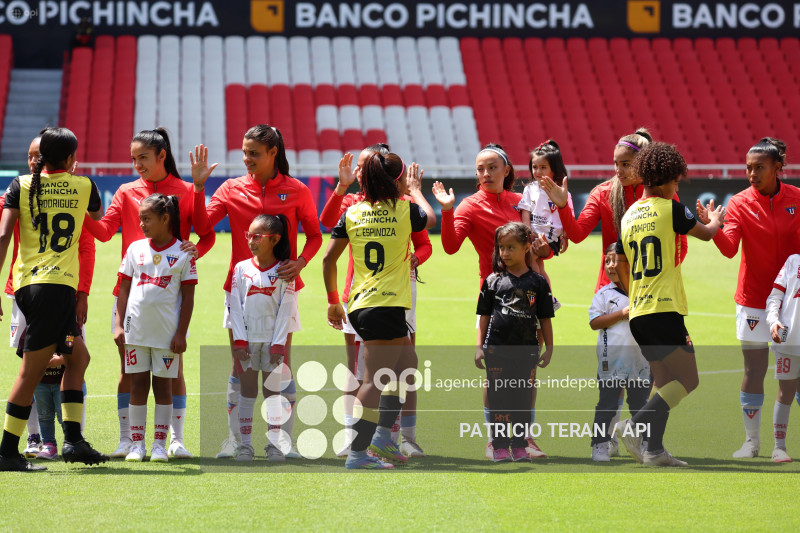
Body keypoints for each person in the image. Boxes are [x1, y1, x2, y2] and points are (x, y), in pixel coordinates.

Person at [190, 124, 323, 459]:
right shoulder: (231, 188)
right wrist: (199, 186)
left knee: (278, 367)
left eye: (254, 153)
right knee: (242, 366)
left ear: (273, 153)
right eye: (244, 152)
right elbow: (203, 228)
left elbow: (315, 234)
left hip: (282, 291)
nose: (247, 159)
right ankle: (238, 441)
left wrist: (302, 262)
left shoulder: (297, 190)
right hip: (240, 292)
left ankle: (279, 441)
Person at [84, 127, 214, 460]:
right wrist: (78, 210)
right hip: (130, 293)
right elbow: (103, 232)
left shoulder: (185, 191)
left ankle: (175, 440)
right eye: (133, 159)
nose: (137, 164)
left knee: (174, 370)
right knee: (130, 372)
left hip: (169, 294)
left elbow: (206, 235)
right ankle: (128, 440)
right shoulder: (126, 192)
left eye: (143, 157)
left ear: (161, 156)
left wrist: (194, 249)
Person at [432, 143, 550, 459]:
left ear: (507, 170)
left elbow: (544, 249)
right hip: (496, 301)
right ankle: (495, 440)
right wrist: (446, 209)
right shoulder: (469, 206)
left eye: (492, 167)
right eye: (480, 169)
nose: (486, 173)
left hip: (534, 296)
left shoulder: (521, 202)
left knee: (528, 374)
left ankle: (525, 439)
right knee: (495, 375)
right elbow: (450, 246)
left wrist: (546, 246)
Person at [0, 126, 106, 471]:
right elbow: (98, 220)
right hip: (56, 289)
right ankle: (6, 452)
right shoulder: (84, 186)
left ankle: (73, 441)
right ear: (72, 158)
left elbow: (3, 235)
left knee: (78, 358)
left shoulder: (20, 185)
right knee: (30, 373)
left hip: (29, 287)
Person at [613, 142, 724, 467]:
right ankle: (633, 426)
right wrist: (716, 219)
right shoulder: (670, 207)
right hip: (664, 309)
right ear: (665, 179)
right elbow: (706, 234)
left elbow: (619, 261)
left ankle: (654, 451)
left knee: (663, 382)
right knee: (689, 379)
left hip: (639, 311)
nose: (678, 187)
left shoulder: (630, 214)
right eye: (676, 181)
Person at [324, 151, 435, 469]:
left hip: (363, 302)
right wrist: (415, 191)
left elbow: (329, 259)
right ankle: (360, 453)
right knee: (374, 380)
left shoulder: (354, 213)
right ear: (397, 180)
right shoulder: (404, 210)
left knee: (406, 365)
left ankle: (383, 439)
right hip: (383, 304)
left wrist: (334, 300)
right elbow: (432, 218)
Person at [698, 137, 800, 459]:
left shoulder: (797, 199)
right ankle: (752, 443)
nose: (751, 173)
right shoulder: (740, 202)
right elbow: (729, 249)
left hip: (791, 304)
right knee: (754, 371)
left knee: (795, 373)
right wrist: (712, 228)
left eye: (759, 167)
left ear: (777, 169)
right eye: (748, 167)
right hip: (754, 300)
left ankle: (779, 445)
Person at [540, 129, 688, 292]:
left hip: (652, 288)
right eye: (616, 163)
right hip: (610, 288)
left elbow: (681, 245)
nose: (618, 170)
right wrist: (563, 206)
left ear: (642, 163)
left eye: (625, 164)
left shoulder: (664, 192)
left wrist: (658, 274)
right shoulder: (602, 193)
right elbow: (577, 234)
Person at [114, 193, 197, 462]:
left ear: (165, 218)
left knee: (163, 388)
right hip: (136, 332)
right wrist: (119, 324)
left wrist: (181, 333)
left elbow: (188, 299)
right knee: (137, 385)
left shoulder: (183, 254)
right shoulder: (134, 249)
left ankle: (159, 445)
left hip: (166, 336)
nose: (142, 224)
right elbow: (124, 289)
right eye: (140, 219)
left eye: (147, 219)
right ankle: (137, 445)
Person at [476, 222, 554, 462]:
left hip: (526, 352)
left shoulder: (538, 283)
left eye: (511, 247)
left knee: (521, 400)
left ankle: (519, 445)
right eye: (501, 247)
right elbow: (484, 317)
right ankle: (499, 446)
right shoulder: (492, 281)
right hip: (497, 352)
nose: (505, 253)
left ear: (526, 247)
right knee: (500, 400)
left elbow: (545, 319)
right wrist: (479, 347)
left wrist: (550, 347)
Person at [228, 214, 296, 462]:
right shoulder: (241, 268)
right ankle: (245, 446)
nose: (251, 241)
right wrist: (240, 341)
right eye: (249, 235)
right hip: (247, 343)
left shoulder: (285, 271)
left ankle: (274, 446)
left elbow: (286, 310)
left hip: (272, 345)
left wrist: (279, 344)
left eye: (257, 236)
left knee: (272, 395)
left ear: (275, 239)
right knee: (247, 393)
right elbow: (235, 307)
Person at [588, 243, 650, 462]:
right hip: (611, 362)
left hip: (640, 362)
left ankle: (645, 445)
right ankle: (600, 445)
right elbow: (594, 322)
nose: (611, 266)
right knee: (607, 404)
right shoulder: (604, 294)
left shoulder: (643, 291)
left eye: (616, 260)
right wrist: (622, 313)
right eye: (607, 261)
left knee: (640, 406)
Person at [518, 139, 574, 306]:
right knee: (538, 265)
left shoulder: (560, 191)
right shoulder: (529, 189)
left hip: (551, 238)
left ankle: (540, 295)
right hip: (533, 236)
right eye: (535, 167)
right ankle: (548, 298)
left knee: (532, 257)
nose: (538, 171)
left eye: (543, 167)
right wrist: (527, 230)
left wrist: (565, 236)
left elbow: (567, 215)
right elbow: (525, 211)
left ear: (553, 169)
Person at [766, 253, 800, 462]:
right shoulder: (793, 261)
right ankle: (779, 448)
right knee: (785, 392)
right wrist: (773, 322)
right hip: (789, 342)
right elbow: (774, 297)